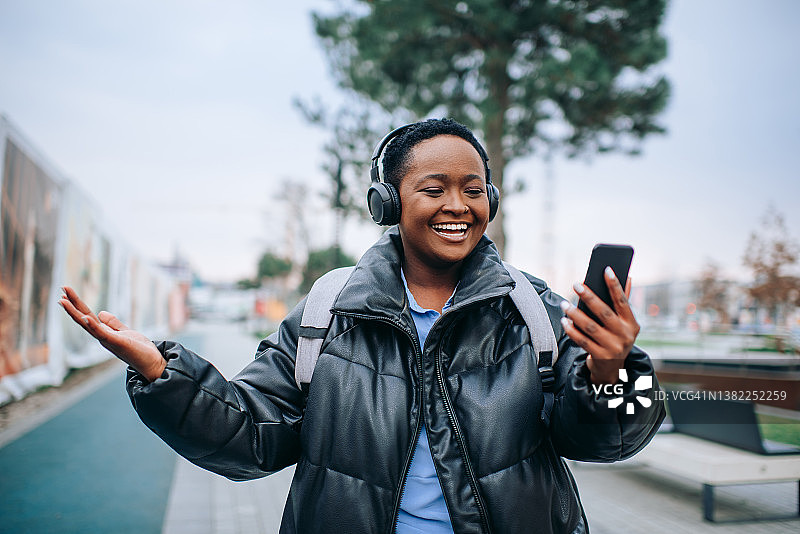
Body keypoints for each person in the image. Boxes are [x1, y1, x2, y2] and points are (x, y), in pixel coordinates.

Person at [61, 118, 665, 534]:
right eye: (434, 188)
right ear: (387, 204)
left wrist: (609, 371)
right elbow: (253, 436)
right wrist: (164, 372)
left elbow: (601, 441)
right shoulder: (329, 313)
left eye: (474, 190)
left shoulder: (533, 311)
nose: (458, 206)